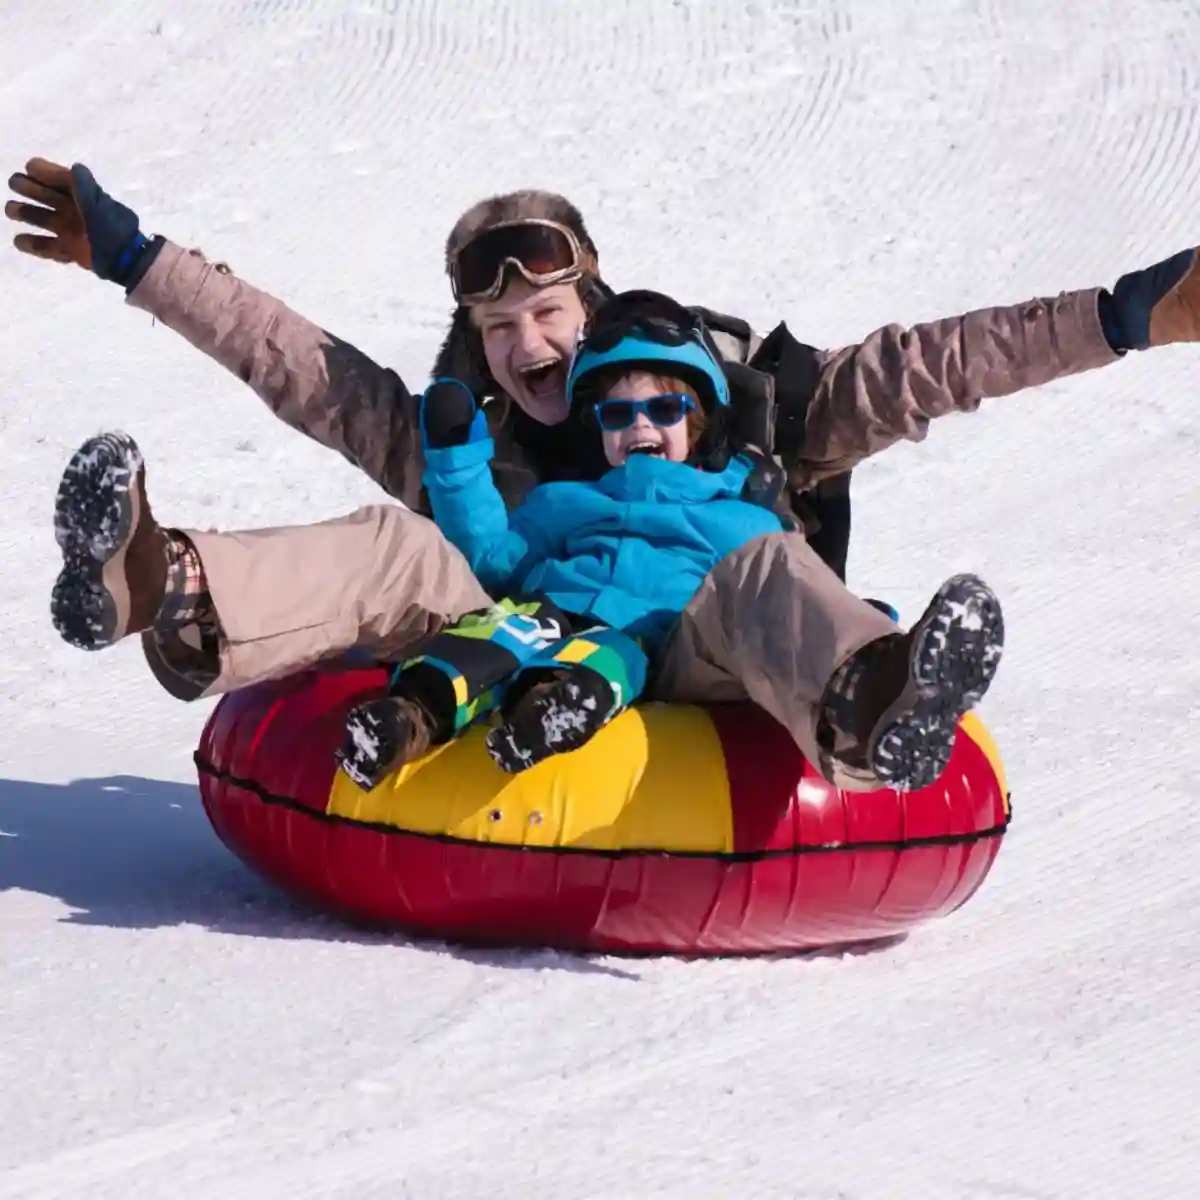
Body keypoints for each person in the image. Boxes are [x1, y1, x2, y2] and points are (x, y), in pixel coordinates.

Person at [10, 159, 1198, 711]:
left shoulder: (731, 405)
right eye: (497, 325)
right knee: (399, 539)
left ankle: (872, 696)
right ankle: (162, 583)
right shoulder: (466, 443)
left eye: (548, 313)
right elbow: (297, 364)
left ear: (593, 310)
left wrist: (1120, 317)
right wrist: (135, 259)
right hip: (517, 655)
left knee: (762, 565)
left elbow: (928, 367)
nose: (527, 344)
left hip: (711, 652)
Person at [338, 290, 1005, 795]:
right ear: (597, 426)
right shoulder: (567, 501)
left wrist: (870, 623)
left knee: (769, 562)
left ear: (700, 420)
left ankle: (876, 689)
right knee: (518, 624)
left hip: (685, 648)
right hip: (572, 639)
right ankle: (449, 715)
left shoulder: (740, 516)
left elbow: (791, 598)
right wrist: (457, 463)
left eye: (664, 409)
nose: (640, 427)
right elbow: (492, 559)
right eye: (618, 414)